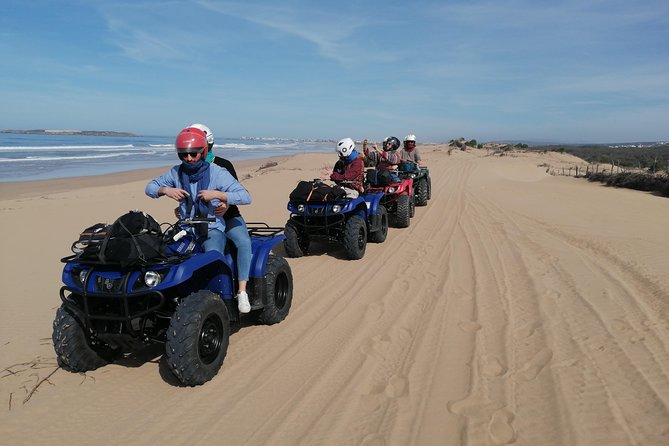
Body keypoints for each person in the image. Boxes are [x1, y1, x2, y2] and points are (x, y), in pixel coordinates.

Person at [145, 127, 253, 313]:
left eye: (193, 154)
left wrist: (219, 195)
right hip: (185, 228)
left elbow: (245, 196)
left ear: (203, 151)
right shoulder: (176, 173)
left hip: (212, 227)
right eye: (183, 155)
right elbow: (150, 187)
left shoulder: (218, 171)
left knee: (212, 258)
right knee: (162, 256)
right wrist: (165, 190)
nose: (189, 159)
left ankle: (225, 300)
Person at [189, 123, 254, 314]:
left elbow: (238, 193)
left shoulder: (224, 165)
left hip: (229, 216)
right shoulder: (189, 168)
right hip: (201, 219)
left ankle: (242, 291)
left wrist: (226, 204)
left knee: (243, 242)